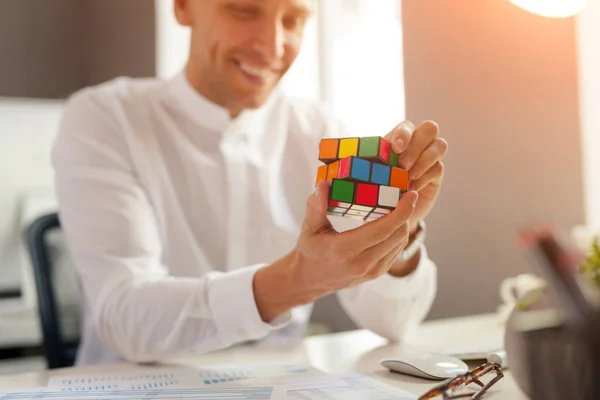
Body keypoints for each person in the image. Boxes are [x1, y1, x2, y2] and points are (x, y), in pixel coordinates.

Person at [52, 0, 448, 366]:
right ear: (183, 7)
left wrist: (399, 229)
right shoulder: (106, 118)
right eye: (244, 10)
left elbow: (396, 323)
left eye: (292, 20)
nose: (273, 46)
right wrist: (298, 280)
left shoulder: (319, 132)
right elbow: (124, 318)